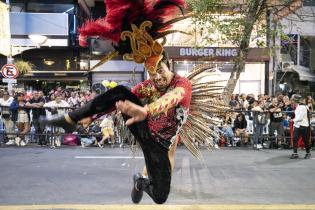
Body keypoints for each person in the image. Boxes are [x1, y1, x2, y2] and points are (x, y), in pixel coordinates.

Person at [290, 94, 311, 159]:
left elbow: (300, 118)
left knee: (305, 141)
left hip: (304, 126)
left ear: (296, 100)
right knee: (295, 139)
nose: (292, 101)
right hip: (297, 126)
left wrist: (292, 120)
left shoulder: (303, 107)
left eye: (293, 99)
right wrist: (294, 123)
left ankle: (308, 153)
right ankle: (295, 153)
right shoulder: (298, 106)